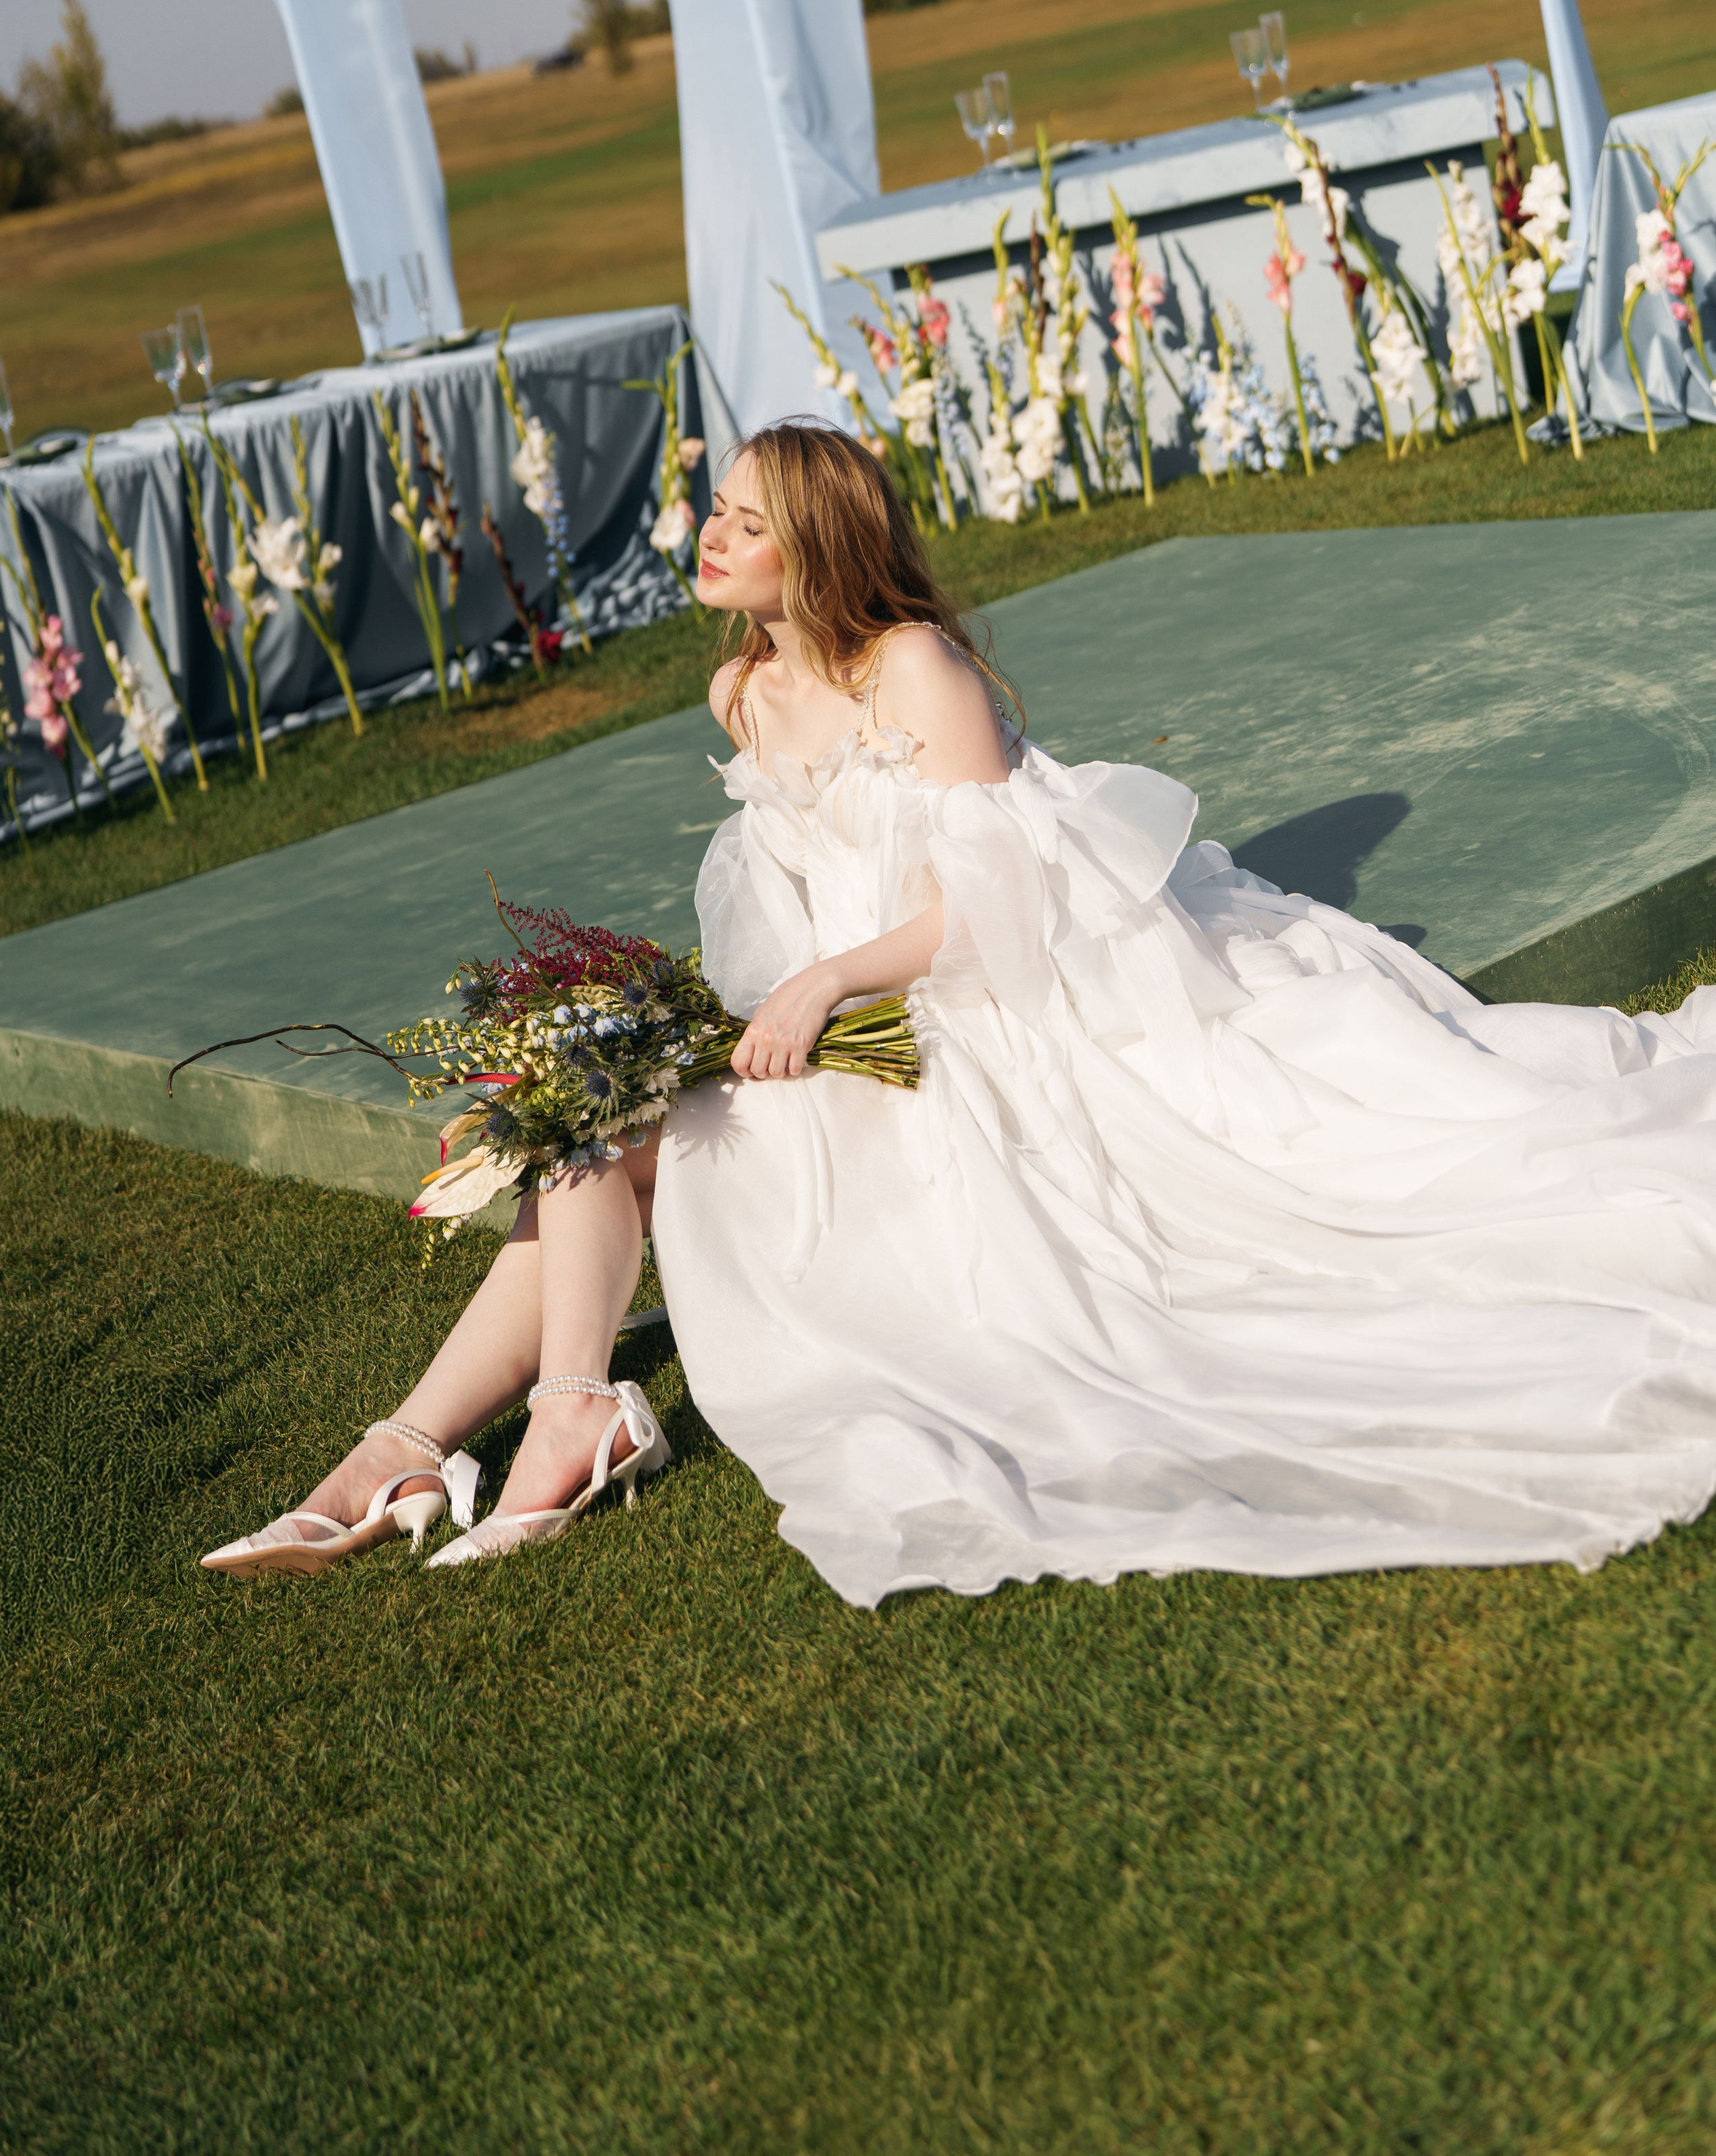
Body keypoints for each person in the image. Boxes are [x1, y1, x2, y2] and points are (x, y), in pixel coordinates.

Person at [204, 421, 1716, 1602]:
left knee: (628, 1129)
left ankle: (468, 1445)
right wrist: (704, 1012)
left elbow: (1005, 904)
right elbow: (777, 903)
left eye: (744, 521)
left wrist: (829, 983)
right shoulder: (738, 696)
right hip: (848, 1014)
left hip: (1009, 1007)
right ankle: (447, 1439)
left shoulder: (915, 668)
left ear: (817, 549)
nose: (709, 537)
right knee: (601, 1107)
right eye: (714, 511)